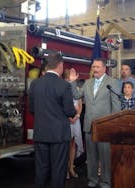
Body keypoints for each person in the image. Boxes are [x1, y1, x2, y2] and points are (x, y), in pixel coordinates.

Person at [68, 58, 121, 188]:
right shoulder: (87, 83)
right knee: (91, 156)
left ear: (104, 68)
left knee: (105, 156)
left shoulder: (112, 82)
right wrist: (73, 81)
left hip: (104, 127)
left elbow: (116, 106)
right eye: (93, 67)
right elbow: (76, 96)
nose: (95, 69)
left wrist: (113, 125)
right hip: (89, 126)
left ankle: (105, 182)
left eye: (97, 67)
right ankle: (92, 180)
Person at [28, 52, 76, 188]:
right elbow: (69, 111)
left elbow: (31, 109)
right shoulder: (64, 85)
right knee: (58, 171)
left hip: (41, 134)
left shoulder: (35, 84)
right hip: (59, 136)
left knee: (41, 170)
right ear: (60, 65)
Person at [63, 69, 84, 179]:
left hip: (76, 120)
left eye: (75, 73)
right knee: (65, 145)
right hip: (66, 120)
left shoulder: (77, 89)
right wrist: (69, 117)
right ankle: (64, 169)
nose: (75, 74)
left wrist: (77, 115)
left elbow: (80, 105)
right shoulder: (63, 88)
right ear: (67, 77)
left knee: (73, 144)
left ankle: (71, 167)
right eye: (72, 73)